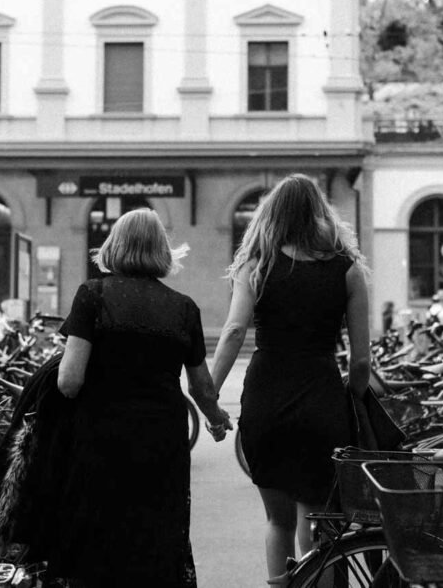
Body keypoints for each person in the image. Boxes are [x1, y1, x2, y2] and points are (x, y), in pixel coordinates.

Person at [50, 208, 231, 588]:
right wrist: (215, 419)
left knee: (100, 540)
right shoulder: (184, 308)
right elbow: (201, 386)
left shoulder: (92, 295)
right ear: (161, 251)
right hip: (162, 442)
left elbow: (69, 380)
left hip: (100, 439)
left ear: (114, 245)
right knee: (156, 537)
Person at [209, 174, 371, 585]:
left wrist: (208, 395)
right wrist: (349, 399)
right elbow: (362, 363)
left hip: (267, 398)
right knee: (321, 522)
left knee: (277, 520)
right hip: (321, 396)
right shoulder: (348, 271)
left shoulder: (256, 266)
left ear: (271, 214)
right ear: (321, 214)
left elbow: (231, 332)